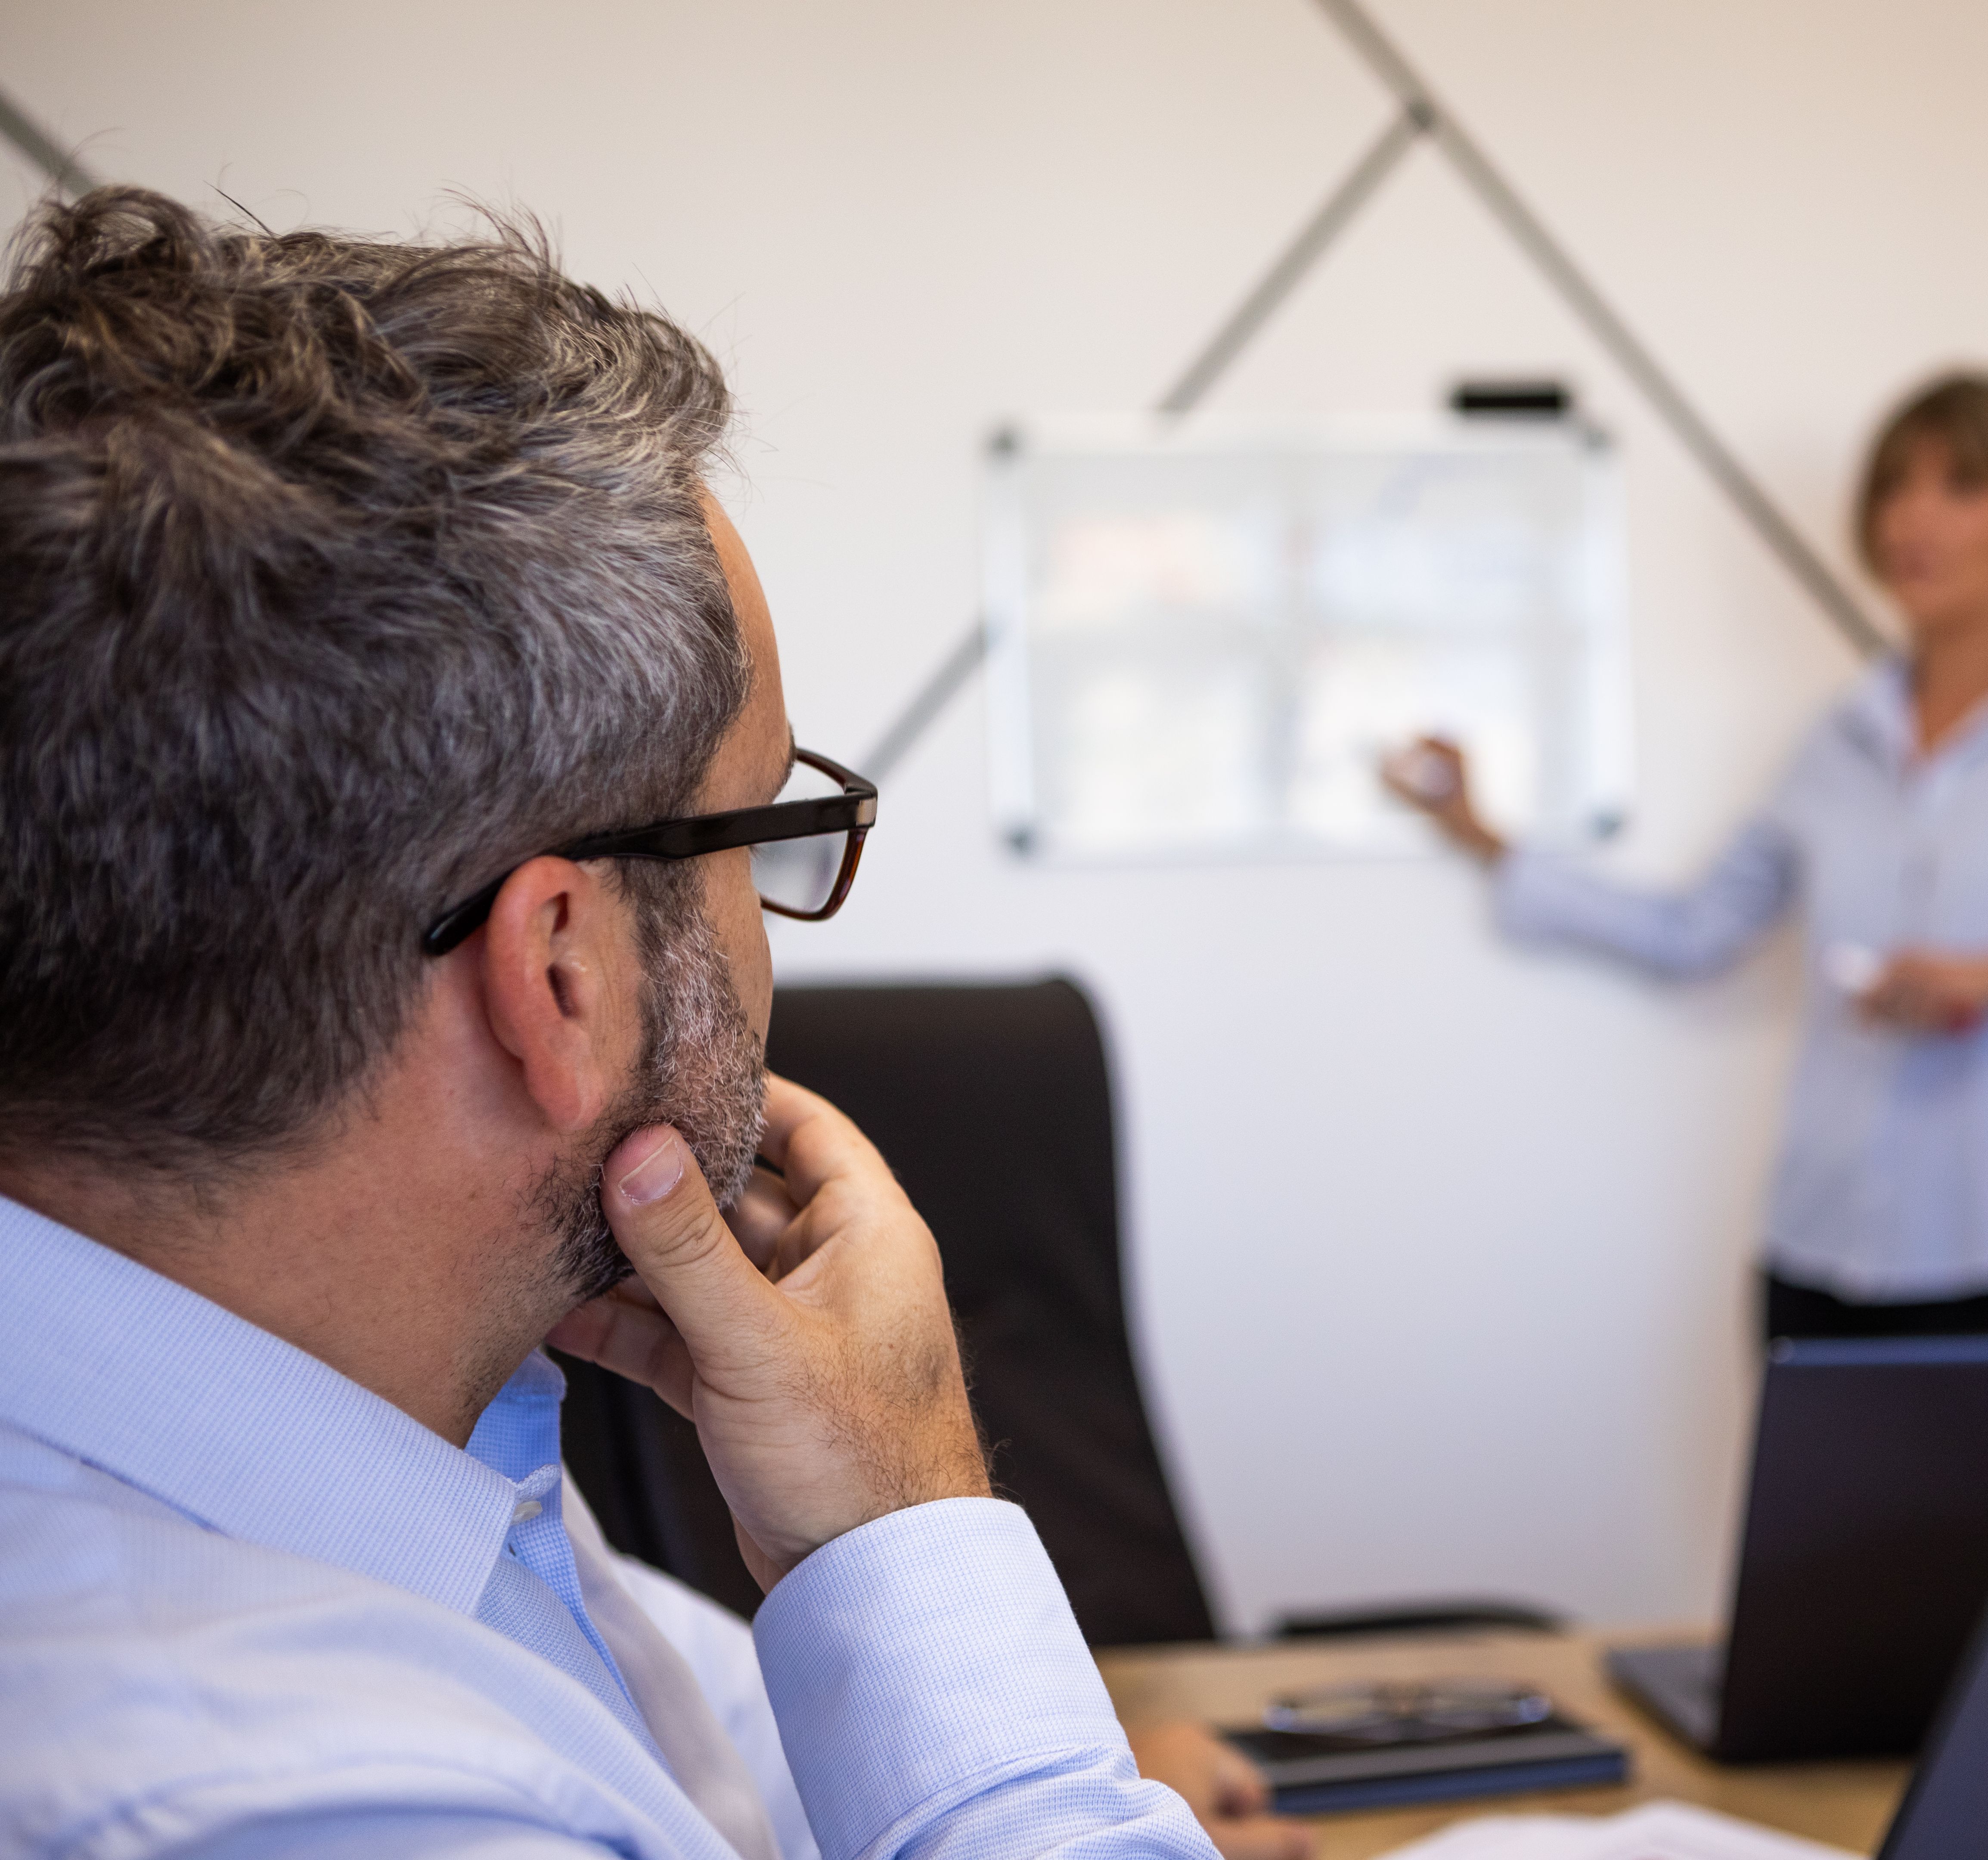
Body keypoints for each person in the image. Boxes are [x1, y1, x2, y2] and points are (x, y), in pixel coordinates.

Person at [0, 188, 1305, 1860]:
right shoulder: (278, 1801)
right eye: (758, 835)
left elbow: (679, 1750)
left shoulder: (346, 1433)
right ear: (562, 969)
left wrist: (1050, 1774)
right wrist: (914, 1531)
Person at [1387, 374, 1988, 1340]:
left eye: (1960, 486)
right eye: (1895, 487)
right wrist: (1488, 841)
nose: (1911, 519)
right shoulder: (1835, 740)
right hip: (1820, 1257)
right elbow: (1692, 931)